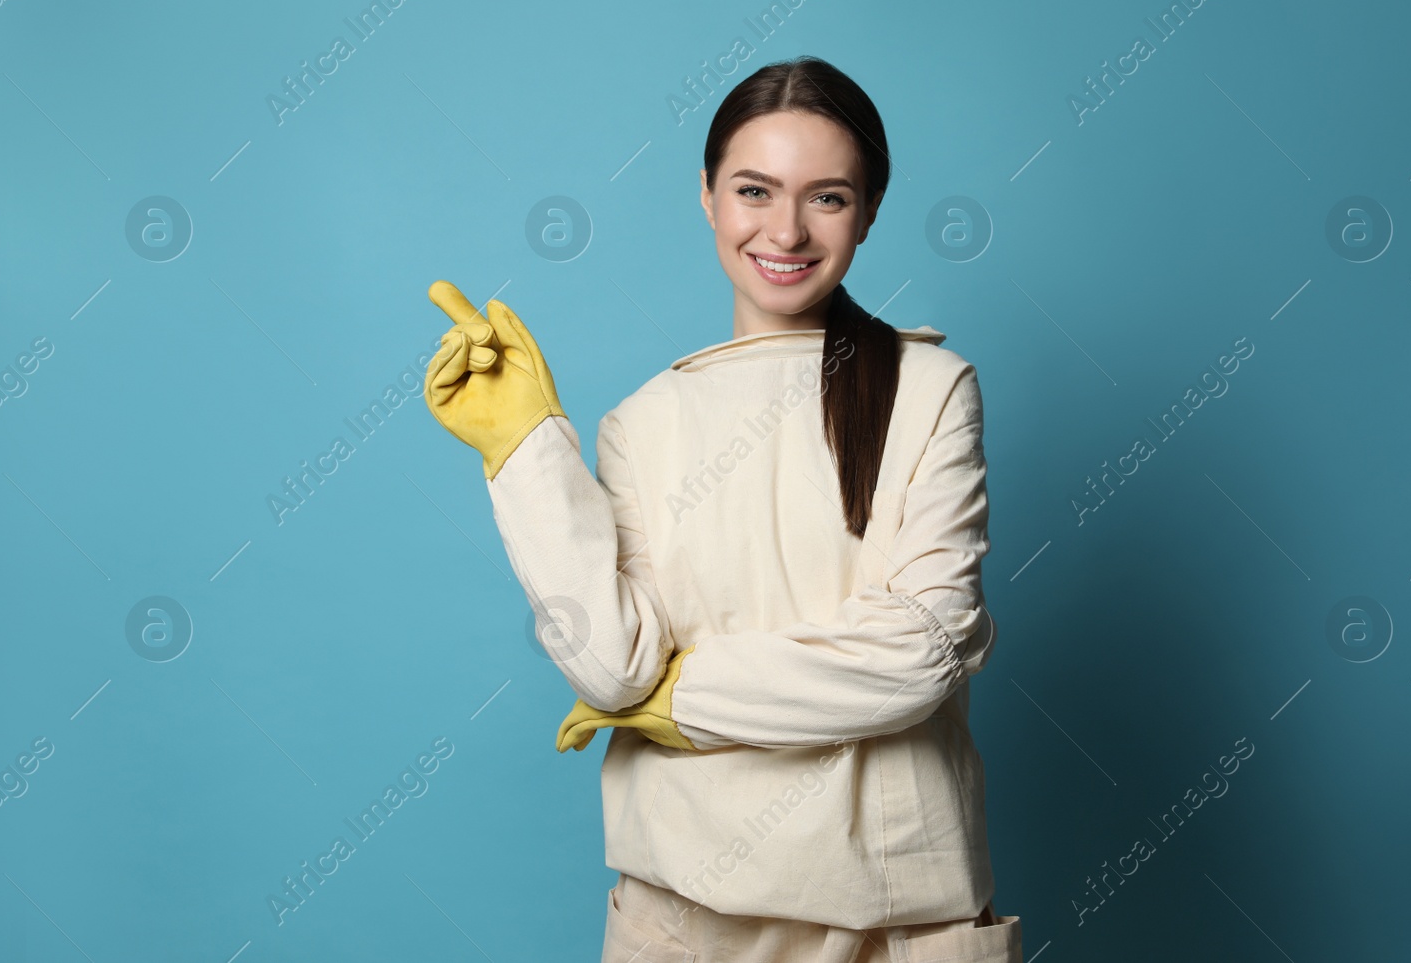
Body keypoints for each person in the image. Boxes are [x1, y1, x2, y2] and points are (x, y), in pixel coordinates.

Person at [423, 56, 1022, 962]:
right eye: (754, 189)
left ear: (869, 210)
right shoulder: (643, 423)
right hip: (680, 923)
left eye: (827, 196)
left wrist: (685, 699)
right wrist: (525, 448)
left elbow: (921, 648)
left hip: (896, 926)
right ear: (706, 196)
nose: (785, 228)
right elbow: (614, 670)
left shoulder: (930, 390)